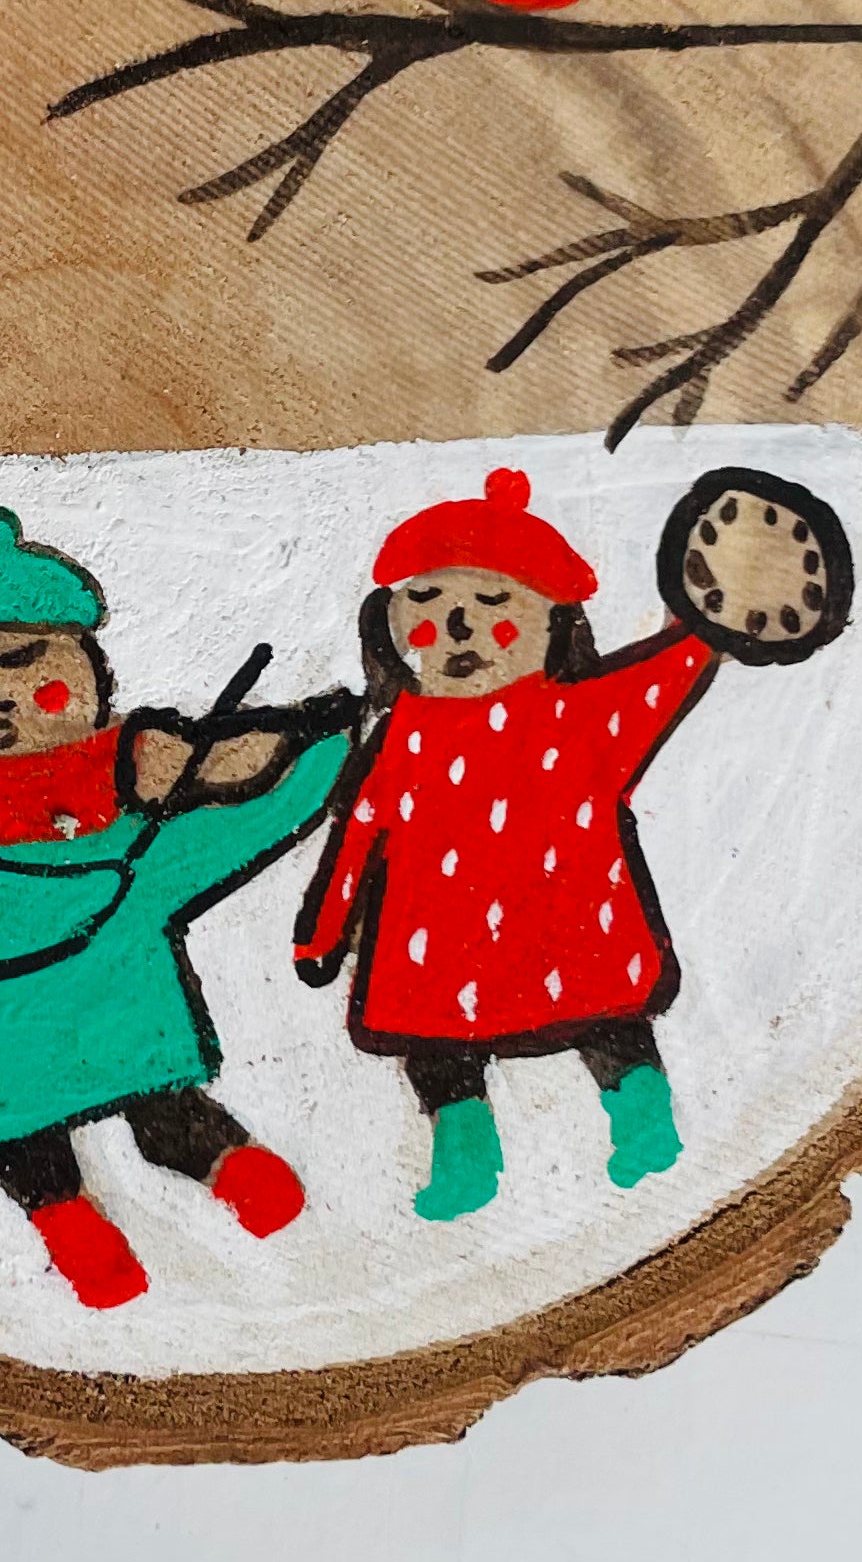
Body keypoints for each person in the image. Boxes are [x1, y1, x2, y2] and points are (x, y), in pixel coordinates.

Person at [0, 506, 355, 1309]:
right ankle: (66, 1221)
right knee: (22, 1137)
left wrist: (321, 749)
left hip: (123, 1026)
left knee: (161, 1096)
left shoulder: (114, 805)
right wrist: (94, 883)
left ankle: (224, 1162)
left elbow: (212, 840)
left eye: (17, 659)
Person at [293, 468, 718, 1222]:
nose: (459, 624)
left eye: (495, 604)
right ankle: (466, 1155)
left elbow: (664, 676)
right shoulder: (403, 736)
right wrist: (321, 936)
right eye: (428, 601)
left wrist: (703, 620)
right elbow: (358, 833)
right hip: (442, 945)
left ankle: (643, 1117)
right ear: (392, 625)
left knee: (610, 1024)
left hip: (558, 926)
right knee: (440, 1055)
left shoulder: (580, 714)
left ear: (554, 625)